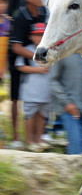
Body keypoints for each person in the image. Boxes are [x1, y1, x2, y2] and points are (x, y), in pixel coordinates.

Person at [50, 51, 82, 155]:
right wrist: (66, 103)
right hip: (69, 110)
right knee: (76, 145)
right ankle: (77, 171)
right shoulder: (60, 54)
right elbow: (53, 81)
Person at [15, 23, 51, 152]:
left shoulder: (49, 50)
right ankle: (29, 140)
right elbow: (20, 66)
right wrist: (38, 70)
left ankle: (39, 139)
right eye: (37, 35)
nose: (39, 38)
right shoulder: (26, 50)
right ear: (31, 36)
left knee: (42, 115)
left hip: (45, 89)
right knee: (30, 115)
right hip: (30, 89)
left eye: (42, 35)